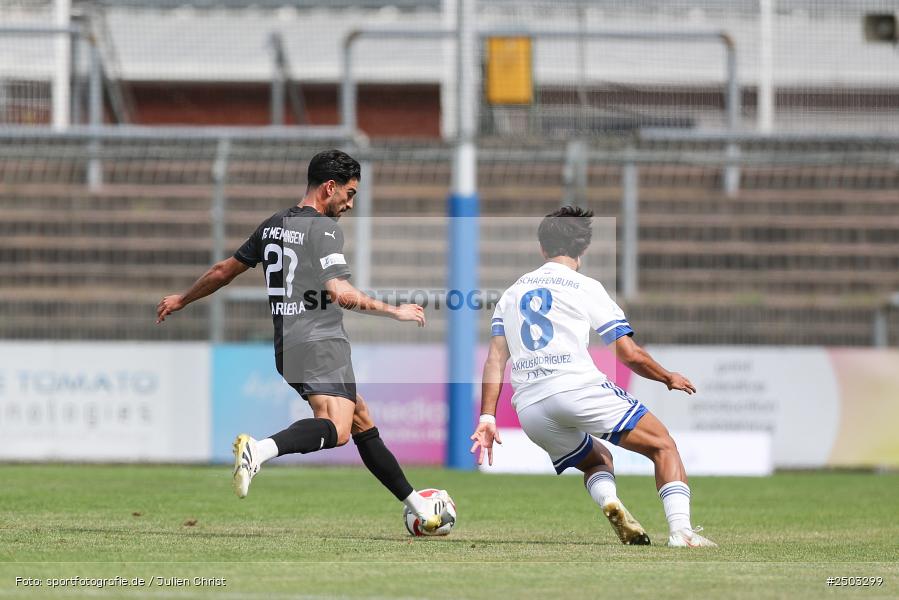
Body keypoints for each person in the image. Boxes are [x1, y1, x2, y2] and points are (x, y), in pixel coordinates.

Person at [156, 149, 448, 532]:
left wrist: (182, 298)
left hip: (288, 346)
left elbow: (223, 270)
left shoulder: (272, 225)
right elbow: (340, 292)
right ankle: (258, 451)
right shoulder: (324, 230)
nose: (350, 202)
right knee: (337, 429)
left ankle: (418, 506)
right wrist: (395, 311)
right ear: (330, 187)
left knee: (359, 419)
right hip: (320, 339)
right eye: (350, 192)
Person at [470, 206, 716, 548]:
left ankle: (610, 502)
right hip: (575, 387)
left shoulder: (512, 293)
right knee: (663, 446)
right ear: (583, 249)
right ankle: (682, 532)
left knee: (597, 460)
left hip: (529, 407)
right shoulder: (585, 286)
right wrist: (666, 377)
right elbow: (628, 353)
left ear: (542, 248)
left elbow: (495, 359)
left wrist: (487, 415)